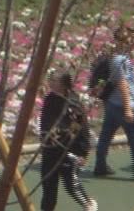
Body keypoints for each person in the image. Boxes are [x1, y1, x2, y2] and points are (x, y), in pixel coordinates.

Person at [91, 24, 134, 181]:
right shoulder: (120, 60)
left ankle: (100, 165)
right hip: (123, 104)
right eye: (131, 39)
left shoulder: (112, 57)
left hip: (112, 103)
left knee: (106, 135)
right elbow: (122, 83)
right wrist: (128, 108)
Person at [36, 72, 94, 211]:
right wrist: (46, 137)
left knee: (71, 185)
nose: (50, 83)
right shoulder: (50, 99)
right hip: (50, 149)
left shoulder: (72, 102)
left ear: (63, 84)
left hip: (69, 150)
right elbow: (45, 122)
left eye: (54, 80)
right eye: (50, 80)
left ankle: (89, 206)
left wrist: (83, 152)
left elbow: (83, 127)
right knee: (49, 187)